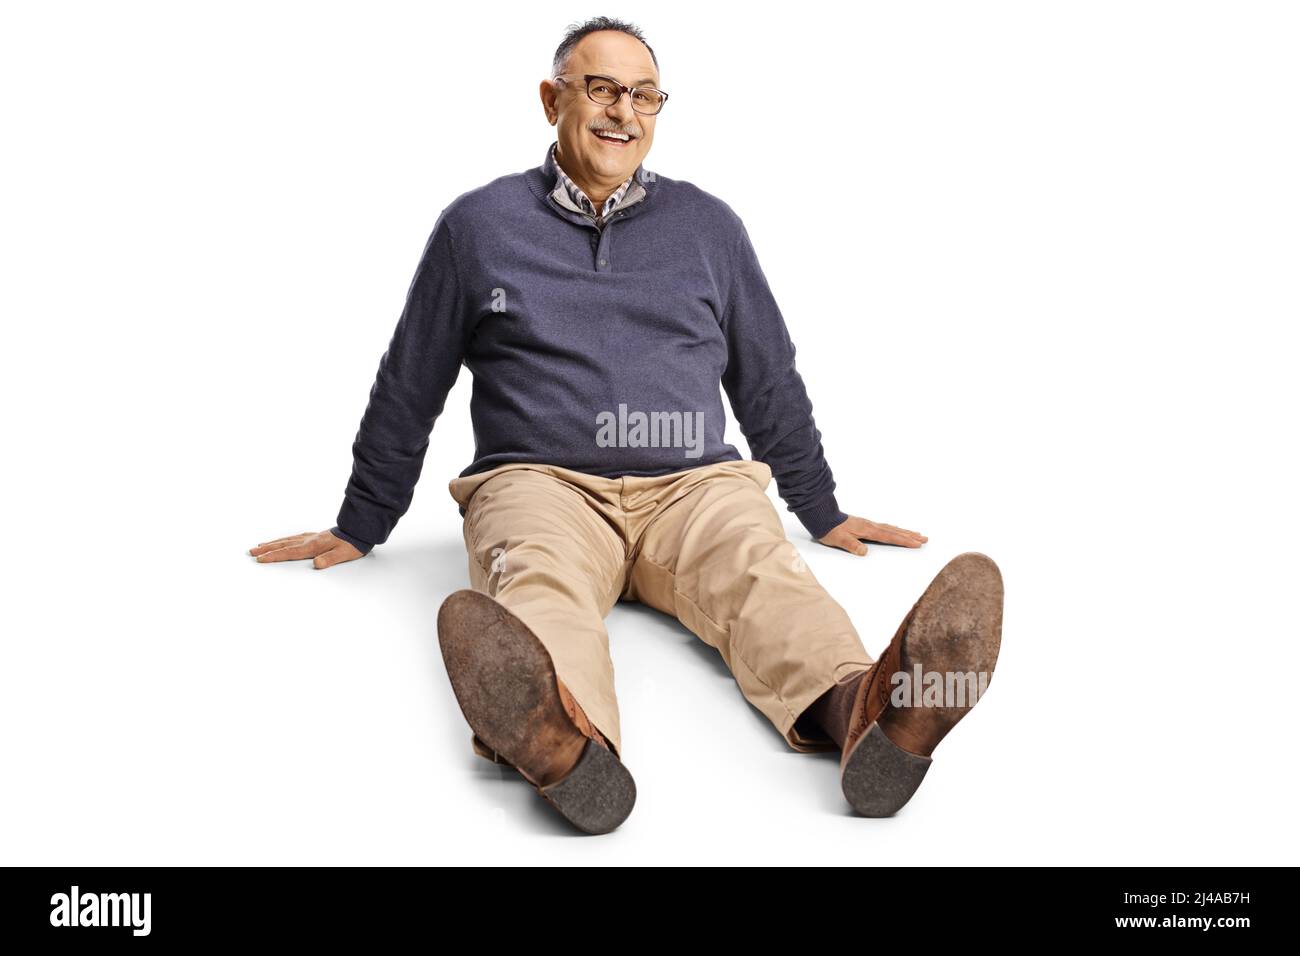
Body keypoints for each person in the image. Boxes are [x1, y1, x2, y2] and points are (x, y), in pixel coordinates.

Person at [249, 17, 1004, 835]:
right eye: (601, 88)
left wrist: (820, 507)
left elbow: (767, 374)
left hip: (694, 485)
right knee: (537, 581)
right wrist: (364, 520)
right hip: (541, 481)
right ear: (552, 100)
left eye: (644, 95)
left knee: (762, 573)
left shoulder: (709, 227)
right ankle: (566, 743)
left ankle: (871, 713)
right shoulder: (478, 226)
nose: (623, 112)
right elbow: (411, 375)